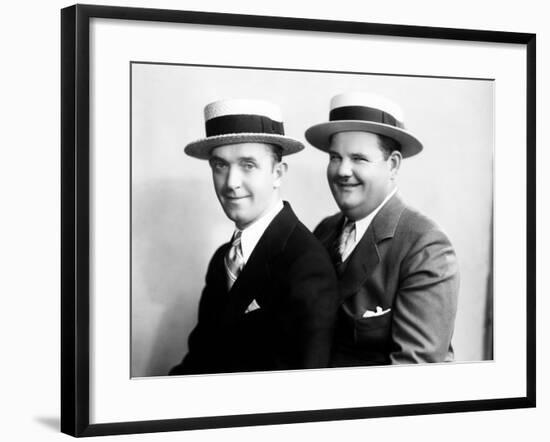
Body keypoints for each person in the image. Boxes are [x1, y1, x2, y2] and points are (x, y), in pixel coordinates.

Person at [169, 98, 339, 375]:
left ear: (277, 173)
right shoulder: (222, 260)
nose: (231, 182)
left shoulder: (306, 265)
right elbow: (198, 361)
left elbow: (302, 392)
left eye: (248, 165)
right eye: (220, 165)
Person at [306, 92, 459, 366]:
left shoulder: (425, 246)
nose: (342, 171)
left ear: (393, 164)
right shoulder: (324, 232)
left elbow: (415, 372)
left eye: (359, 159)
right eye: (334, 157)